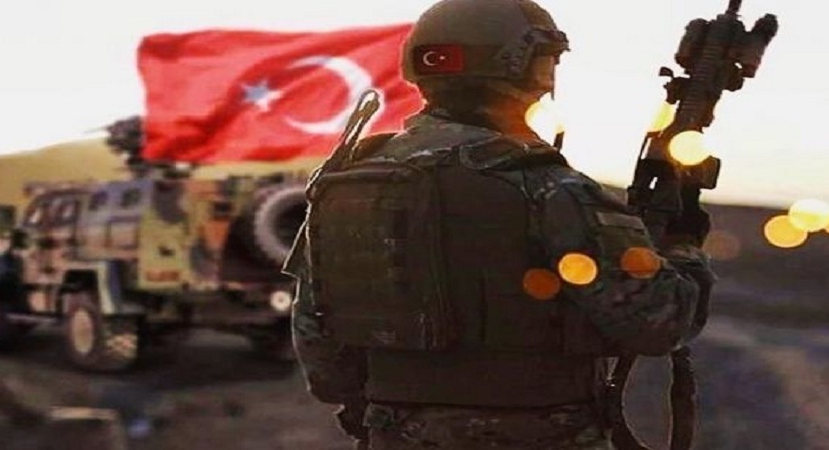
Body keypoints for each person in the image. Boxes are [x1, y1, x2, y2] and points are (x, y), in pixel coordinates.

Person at [283, 0, 714, 448]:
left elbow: (322, 358)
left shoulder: (347, 184)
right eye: (547, 58)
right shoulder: (547, 187)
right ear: (523, 65)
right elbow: (659, 322)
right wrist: (684, 248)